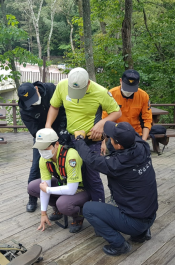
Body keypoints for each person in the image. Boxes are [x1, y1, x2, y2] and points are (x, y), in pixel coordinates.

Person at [73, 121, 158, 256]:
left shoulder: (116, 165)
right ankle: (142, 233)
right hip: (150, 215)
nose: (109, 138)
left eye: (110, 138)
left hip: (133, 222)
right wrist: (102, 129)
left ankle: (119, 245)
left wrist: (79, 139)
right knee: (138, 200)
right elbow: (130, 133)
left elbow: (91, 159)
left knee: (89, 209)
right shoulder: (143, 146)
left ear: (119, 145)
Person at [45, 67, 121, 203]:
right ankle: (76, 211)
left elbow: (117, 112)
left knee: (92, 176)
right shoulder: (62, 85)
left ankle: (99, 207)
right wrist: (48, 126)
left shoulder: (100, 92)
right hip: (70, 139)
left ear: (88, 84)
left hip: (90, 140)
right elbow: (54, 106)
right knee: (68, 173)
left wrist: (101, 123)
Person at [27, 128, 90, 233]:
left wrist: (48, 190)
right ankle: (57, 208)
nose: (42, 152)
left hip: (81, 188)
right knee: (33, 186)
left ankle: (78, 216)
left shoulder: (71, 156)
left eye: (45, 148)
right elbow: (44, 186)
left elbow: (71, 190)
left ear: (56, 144)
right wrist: (43, 213)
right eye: (39, 148)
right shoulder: (44, 158)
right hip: (64, 183)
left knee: (63, 204)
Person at [18, 82, 66, 213]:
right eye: (29, 101)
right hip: (41, 135)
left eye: (34, 98)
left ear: (36, 89)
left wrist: (62, 130)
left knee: (64, 160)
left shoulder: (51, 90)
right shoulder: (24, 109)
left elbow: (63, 109)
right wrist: (46, 138)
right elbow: (34, 131)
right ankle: (32, 198)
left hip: (60, 129)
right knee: (36, 166)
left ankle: (66, 193)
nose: (33, 103)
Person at [102, 69, 152, 153]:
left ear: (138, 83)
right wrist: (102, 142)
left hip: (135, 135)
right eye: (127, 87)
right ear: (120, 81)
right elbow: (104, 120)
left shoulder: (143, 96)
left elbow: (147, 120)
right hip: (116, 136)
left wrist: (143, 142)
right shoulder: (111, 94)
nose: (128, 91)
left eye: (131, 88)